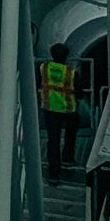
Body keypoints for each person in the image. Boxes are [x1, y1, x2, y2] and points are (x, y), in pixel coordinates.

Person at [40, 42, 79, 183]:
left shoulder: (44, 68)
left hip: (49, 108)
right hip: (68, 109)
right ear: (66, 56)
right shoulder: (71, 73)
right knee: (71, 133)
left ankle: (53, 174)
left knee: (53, 140)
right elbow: (80, 93)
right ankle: (68, 158)